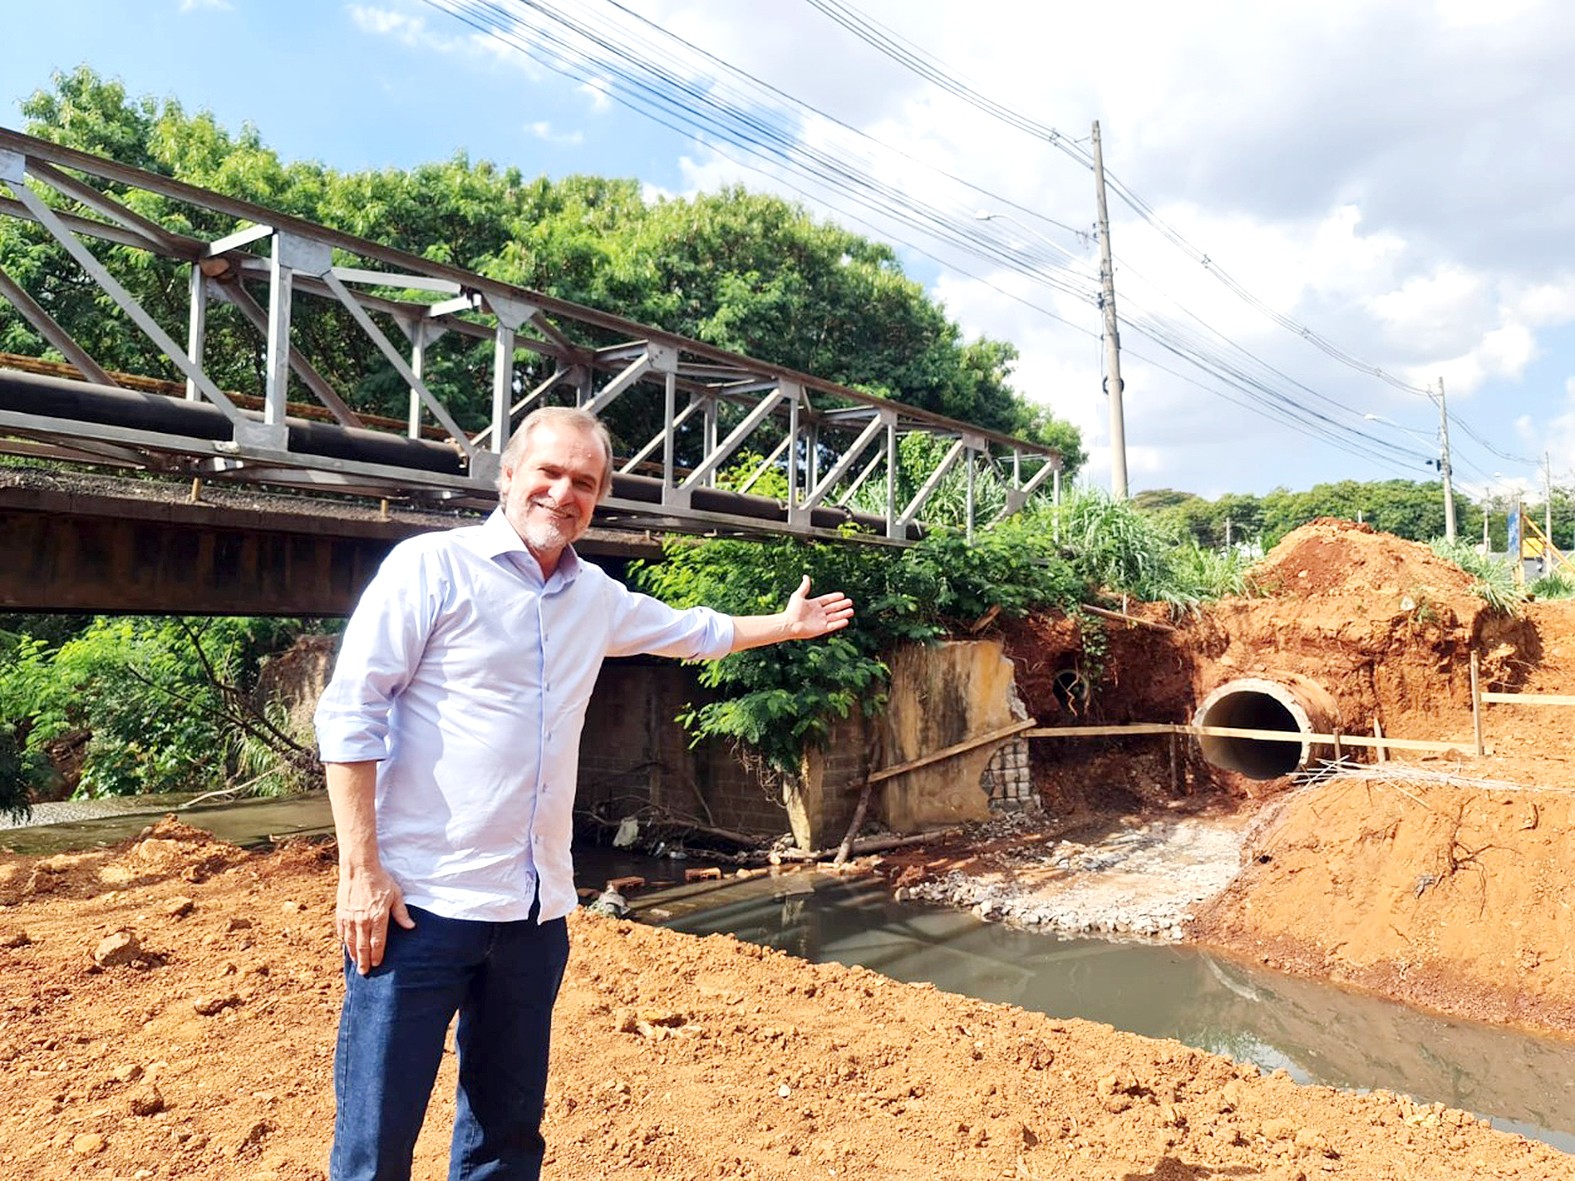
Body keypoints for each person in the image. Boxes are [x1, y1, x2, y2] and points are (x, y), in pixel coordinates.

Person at [313, 405, 854, 1180]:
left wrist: (783, 625)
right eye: (549, 472)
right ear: (507, 476)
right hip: (416, 908)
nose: (564, 493)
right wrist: (361, 872)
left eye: (585, 483)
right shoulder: (431, 567)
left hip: (532, 915)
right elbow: (351, 711)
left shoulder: (592, 596)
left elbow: (693, 630)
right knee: (374, 1147)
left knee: (506, 1142)